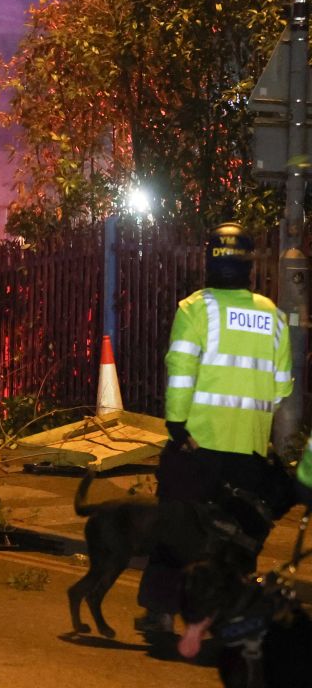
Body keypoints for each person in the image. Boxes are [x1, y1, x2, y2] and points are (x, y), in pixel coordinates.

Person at [136, 223, 292, 634]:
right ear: (248, 264)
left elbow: (181, 370)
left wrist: (176, 424)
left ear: (210, 261)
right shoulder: (273, 316)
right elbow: (280, 388)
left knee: (177, 528)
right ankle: (230, 616)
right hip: (249, 450)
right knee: (239, 538)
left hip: (197, 444)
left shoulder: (195, 309)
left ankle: (161, 610)